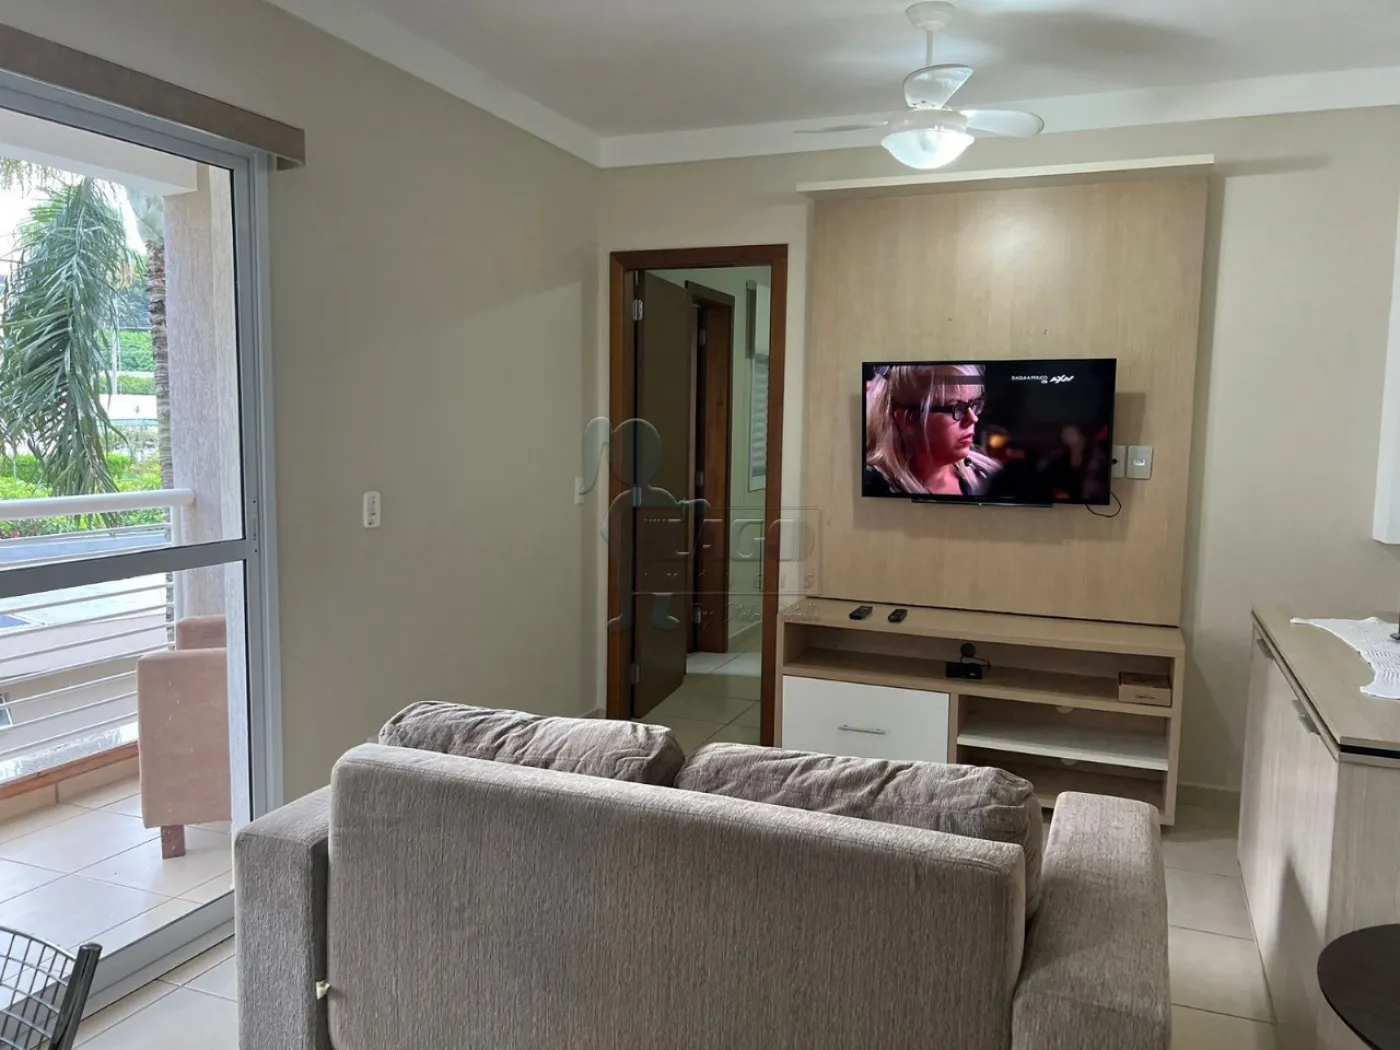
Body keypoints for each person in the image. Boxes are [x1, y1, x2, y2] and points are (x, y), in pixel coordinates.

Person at [864, 363, 1001, 497]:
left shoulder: (987, 475)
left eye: (974, 404)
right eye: (956, 408)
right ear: (909, 420)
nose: (973, 418)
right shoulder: (874, 490)